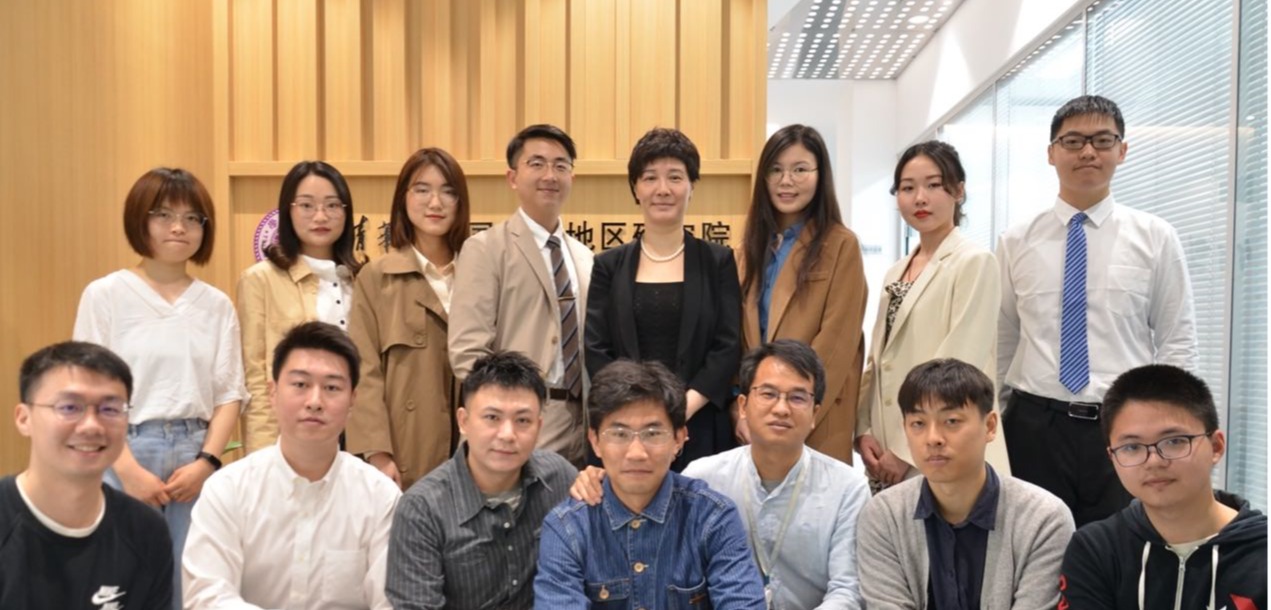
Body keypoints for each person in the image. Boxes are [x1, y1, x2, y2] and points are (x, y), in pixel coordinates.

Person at [997, 95, 1197, 527]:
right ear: (1051, 153)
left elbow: (1176, 338)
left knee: (1122, 547)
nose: (1088, 151)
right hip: (1034, 426)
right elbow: (1002, 338)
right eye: (1073, 141)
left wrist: (1168, 427)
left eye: (1102, 140)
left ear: (1122, 150)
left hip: (1124, 424)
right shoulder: (1016, 240)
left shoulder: (1156, 237)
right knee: (1034, 546)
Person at [571, 340, 870, 608]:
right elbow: (641, 495)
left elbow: (847, 590)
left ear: (815, 414)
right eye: (768, 394)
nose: (781, 408)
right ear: (743, 405)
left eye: (797, 398)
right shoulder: (704, 476)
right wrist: (601, 479)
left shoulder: (847, 488)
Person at [73, 167, 247, 609]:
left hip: (195, 456)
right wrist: (128, 469)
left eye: (192, 219)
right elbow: (89, 391)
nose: (178, 228)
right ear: (140, 220)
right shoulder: (106, 295)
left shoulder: (216, 305)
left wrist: (206, 463)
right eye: (164, 215)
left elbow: (230, 393)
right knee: (119, 583)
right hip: (124, 450)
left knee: (190, 584)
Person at [182, 322, 401, 609]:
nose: (315, 401)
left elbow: (391, 601)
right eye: (300, 384)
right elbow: (206, 596)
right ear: (272, 392)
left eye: (332, 387)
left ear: (352, 401)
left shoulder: (380, 497)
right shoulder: (228, 489)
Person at [535, 360, 767, 609]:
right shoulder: (568, 528)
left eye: (653, 434)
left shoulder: (712, 517)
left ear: (679, 439)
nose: (636, 453)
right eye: (620, 434)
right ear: (595, 441)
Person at [856, 358, 1073, 609]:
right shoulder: (884, 515)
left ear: (990, 426)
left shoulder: (1044, 519)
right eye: (918, 424)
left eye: (951, 421)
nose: (933, 438)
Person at [586, 127, 741, 470]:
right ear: (635, 188)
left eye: (675, 177)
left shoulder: (718, 261)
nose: (663, 189)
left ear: (692, 186)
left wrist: (680, 410)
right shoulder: (608, 265)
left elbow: (727, 346)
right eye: (650, 177)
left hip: (699, 427)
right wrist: (641, 414)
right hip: (625, 428)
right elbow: (597, 350)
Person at [858, 141, 1009, 491]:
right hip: (884, 447)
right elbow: (877, 362)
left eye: (934, 185)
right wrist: (863, 429)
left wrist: (904, 450)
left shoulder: (974, 262)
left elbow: (960, 362)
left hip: (940, 443)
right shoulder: (896, 271)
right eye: (907, 188)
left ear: (959, 190)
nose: (920, 198)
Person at [1059, 364, 1266, 608]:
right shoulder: (1096, 550)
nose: (1154, 461)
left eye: (1174, 441)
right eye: (1132, 447)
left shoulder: (1262, 552)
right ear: (1112, 457)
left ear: (1216, 447)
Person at [450, 124, 594, 468]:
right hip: (516, 421)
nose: (550, 175)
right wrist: (513, 415)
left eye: (560, 165)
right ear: (512, 177)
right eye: (537, 164)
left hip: (582, 421)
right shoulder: (485, 249)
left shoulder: (584, 256)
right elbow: (467, 352)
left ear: (572, 177)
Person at [386, 351, 577, 610]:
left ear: (539, 427)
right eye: (492, 418)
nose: (508, 434)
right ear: (463, 421)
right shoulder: (422, 509)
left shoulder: (559, 478)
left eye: (523, 420)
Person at [1, 341, 173, 608]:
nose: (91, 426)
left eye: (110, 409)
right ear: (24, 418)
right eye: (69, 407)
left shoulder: (145, 530)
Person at [737, 124, 867, 464]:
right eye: (775, 170)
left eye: (799, 170)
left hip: (813, 417)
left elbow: (837, 342)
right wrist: (749, 408)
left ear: (820, 175)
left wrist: (794, 405)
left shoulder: (841, 245)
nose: (786, 181)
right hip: (757, 420)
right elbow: (742, 340)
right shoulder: (749, 249)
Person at [347, 148, 470, 490]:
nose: (435, 202)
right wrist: (377, 453)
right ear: (403, 198)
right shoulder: (377, 277)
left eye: (448, 191)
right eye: (422, 189)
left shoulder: (480, 270)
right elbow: (364, 370)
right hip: (403, 454)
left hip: (474, 453)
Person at [238, 160, 363, 453]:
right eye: (307, 205)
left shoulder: (361, 280)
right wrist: (263, 452)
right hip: (292, 436)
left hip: (357, 435)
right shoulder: (260, 279)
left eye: (332, 205)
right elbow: (255, 376)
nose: (321, 216)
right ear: (288, 211)